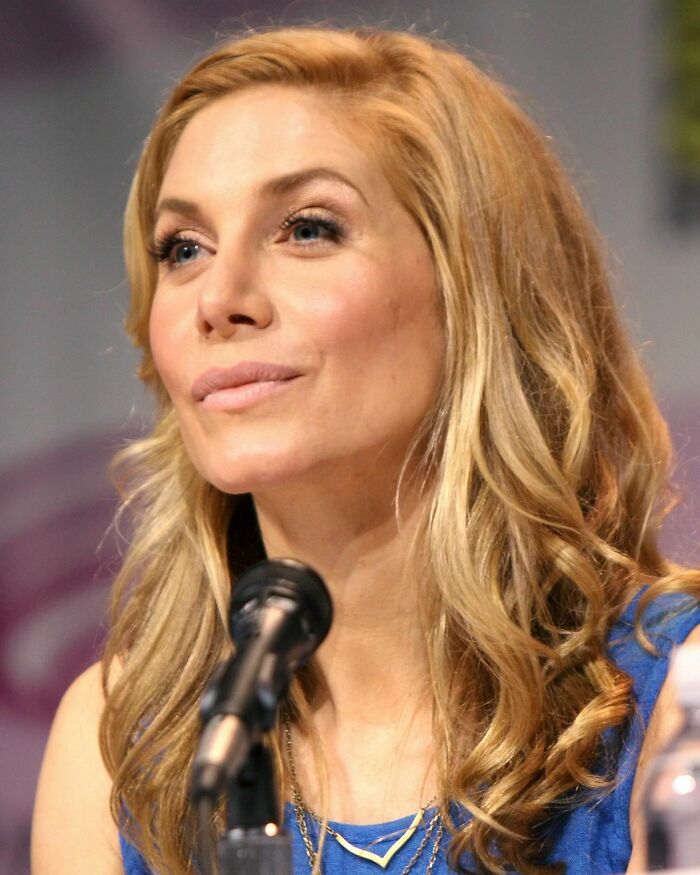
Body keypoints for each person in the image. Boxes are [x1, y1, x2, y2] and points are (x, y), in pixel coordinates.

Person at [31, 24, 700, 875]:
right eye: (183, 249)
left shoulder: (680, 701)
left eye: (307, 228)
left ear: (474, 291)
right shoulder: (121, 739)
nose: (219, 299)